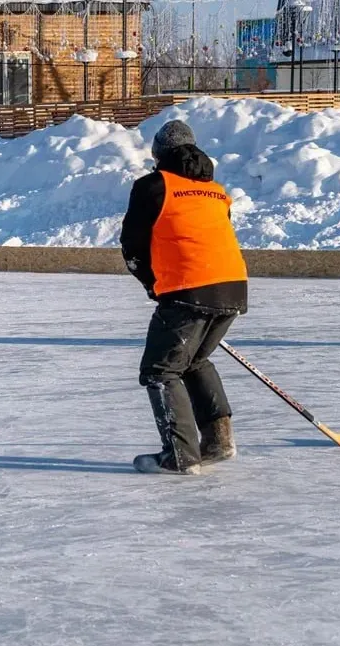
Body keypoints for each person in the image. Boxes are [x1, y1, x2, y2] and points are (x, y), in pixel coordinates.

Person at [120, 120, 249, 475]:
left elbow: (132, 245)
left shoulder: (152, 186)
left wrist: (153, 283)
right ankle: (219, 441)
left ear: (158, 155)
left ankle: (179, 455)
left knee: (160, 371)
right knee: (193, 362)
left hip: (189, 289)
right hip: (233, 286)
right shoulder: (217, 192)